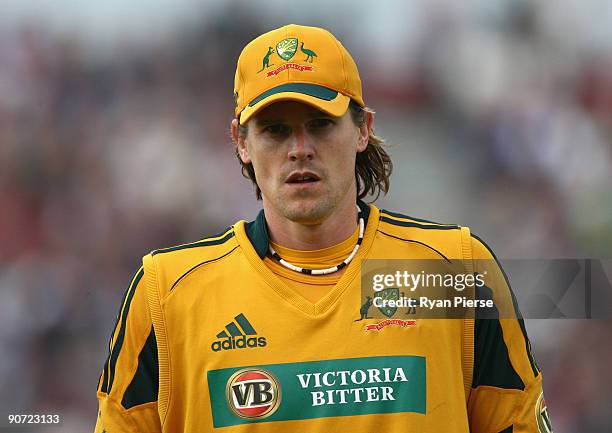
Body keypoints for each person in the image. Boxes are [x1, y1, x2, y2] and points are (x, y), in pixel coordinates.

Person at [95, 24, 552, 433]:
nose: (299, 149)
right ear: (241, 143)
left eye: (319, 125)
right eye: (275, 130)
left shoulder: (451, 269)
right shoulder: (169, 293)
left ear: (362, 130)